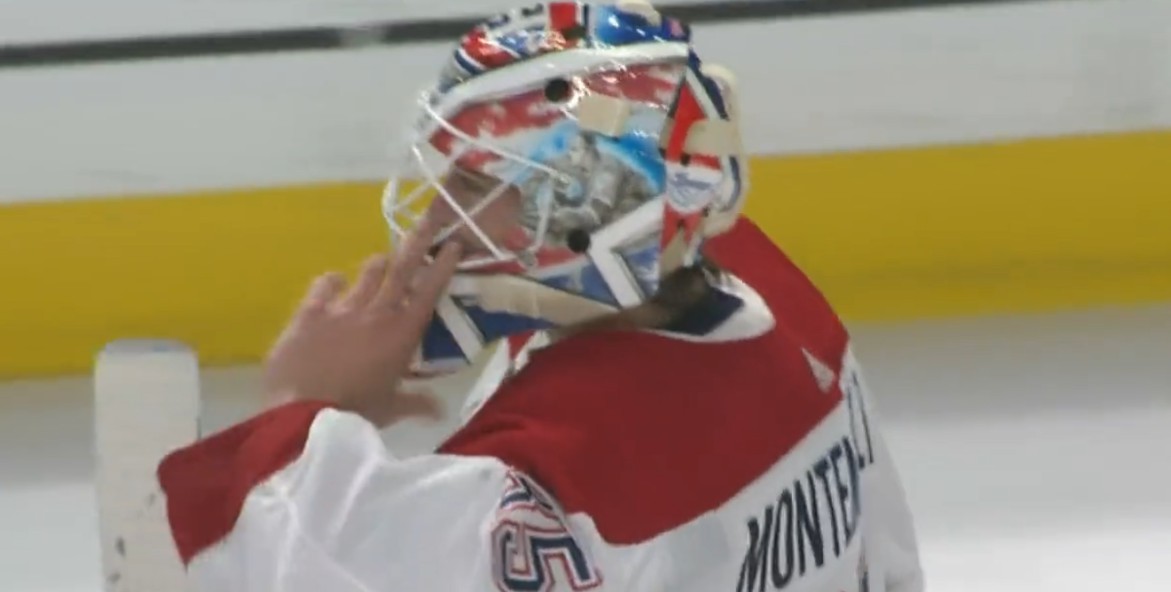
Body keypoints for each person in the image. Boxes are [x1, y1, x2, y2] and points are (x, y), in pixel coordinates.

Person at [157, 2, 925, 591]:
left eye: (469, 185)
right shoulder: (782, 298)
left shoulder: (557, 472)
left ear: (587, 208)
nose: (434, 223)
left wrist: (300, 411)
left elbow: (304, 565)